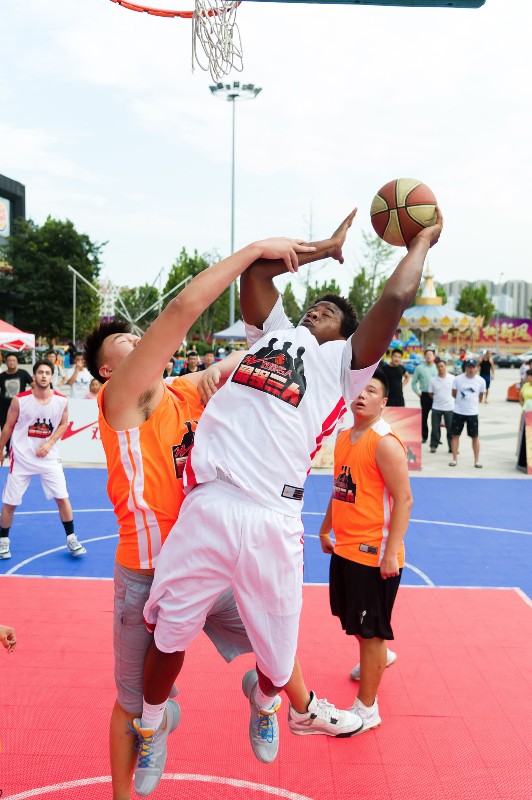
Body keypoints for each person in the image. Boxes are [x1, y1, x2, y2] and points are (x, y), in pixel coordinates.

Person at [140, 208, 443, 774]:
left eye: (330, 311)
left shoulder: (344, 367)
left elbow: (396, 298)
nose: (316, 309)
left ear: (346, 335)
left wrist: (421, 241)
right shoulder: (271, 334)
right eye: (313, 304)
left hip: (271, 517)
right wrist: (322, 249)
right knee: (167, 636)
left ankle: (265, 703)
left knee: (279, 665)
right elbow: (258, 271)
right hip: (210, 501)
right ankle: (151, 724)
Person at [84, 234, 318, 800]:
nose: (139, 340)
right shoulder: (121, 402)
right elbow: (182, 310)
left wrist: (233, 362)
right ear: (108, 371)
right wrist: (256, 251)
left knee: (277, 644)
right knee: (133, 701)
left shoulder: (183, 393)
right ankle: (142, 755)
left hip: (209, 555)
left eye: (138, 335)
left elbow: (255, 356)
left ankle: (275, 703)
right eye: (126, 342)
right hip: (148, 569)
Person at [319, 368, 412, 732]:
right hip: (346, 549)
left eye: (371, 391)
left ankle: (366, 709)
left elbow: (404, 499)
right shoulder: (344, 436)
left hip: (374, 554)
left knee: (370, 631)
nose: (362, 395)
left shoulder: (384, 442)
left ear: (383, 401)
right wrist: (325, 528)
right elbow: (341, 488)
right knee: (353, 621)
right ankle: (378, 657)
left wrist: (390, 552)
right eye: (360, 388)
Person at [0, 360, 86, 561]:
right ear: (34, 376)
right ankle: (3, 540)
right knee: (10, 502)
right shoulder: (20, 400)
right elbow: (8, 426)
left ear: (51, 376)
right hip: (22, 458)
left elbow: (64, 424)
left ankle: (71, 538)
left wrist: (50, 443)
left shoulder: (61, 401)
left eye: (47, 372)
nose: (44, 376)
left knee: (62, 497)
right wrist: (0, 449)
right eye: (40, 372)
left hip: (49, 458)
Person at [449, 359, 486, 468]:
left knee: (475, 437)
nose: (471, 369)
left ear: (476, 368)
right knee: (455, 435)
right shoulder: (457, 379)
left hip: (472, 412)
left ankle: (476, 460)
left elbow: (481, 396)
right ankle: (454, 459)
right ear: (465, 368)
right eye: (469, 367)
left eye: (473, 367)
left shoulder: (481, 381)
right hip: (458, 411)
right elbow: (454, 394)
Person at [0, 354, 33, 457]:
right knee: (5, 428)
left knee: (20, 428)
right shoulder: (2, 376)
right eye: (9, 360)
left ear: (17, 362)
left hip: (20, 407)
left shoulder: (23, 373)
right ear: (6, 363)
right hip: (4, 407)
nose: (12, 362)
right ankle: (9, 450)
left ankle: (19, 450)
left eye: (14, 360)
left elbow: (34, 385)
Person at [428, 359, 455, 453]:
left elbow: (456, 391)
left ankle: (452, 447)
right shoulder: (432, 380)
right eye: (438, 367)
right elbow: (430, 394)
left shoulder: (452, 378)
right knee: (435, 428)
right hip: (436, 407)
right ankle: (433, 445)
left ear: (445, 367)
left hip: (450, 407)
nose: (440, 368)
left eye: (442, 366)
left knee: (450, 428)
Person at [411, 349, 438, 443]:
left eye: (431, 354)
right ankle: (424, 436)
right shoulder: (419, 368)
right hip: (425, 395)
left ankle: (436, 438)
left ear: (434, 356)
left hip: (436, 396)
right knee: (424, 417)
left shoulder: (438, 367)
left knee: (436, 418)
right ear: (424, 356)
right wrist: (418, 393)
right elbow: (413, 382)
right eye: (427, 354)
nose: (429, 356)